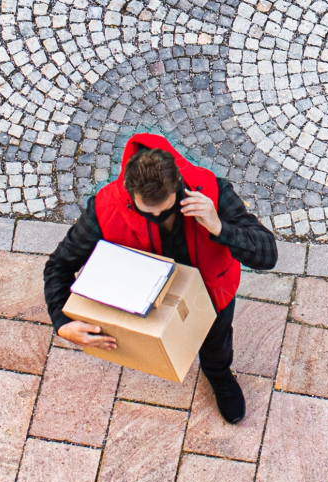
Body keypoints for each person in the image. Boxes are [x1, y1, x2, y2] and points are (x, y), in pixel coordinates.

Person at [43, 131, 278, 423]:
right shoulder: (105, 209)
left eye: (165, 209)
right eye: (147, 212)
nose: (157, 216)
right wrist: (62, 322)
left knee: (216, 344)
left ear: (177, 185)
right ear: (130, 193)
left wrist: (219, 227)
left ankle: (219, 375)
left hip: (213, 295)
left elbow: (268, 255)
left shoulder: (211, 191)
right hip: (149, 300)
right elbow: (58, 266)